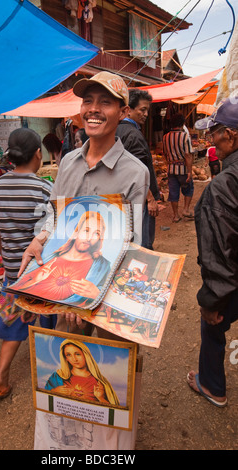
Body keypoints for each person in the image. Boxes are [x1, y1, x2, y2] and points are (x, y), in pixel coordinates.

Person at [19, 71, 149, 450]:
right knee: (67, 367)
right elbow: (57, 216)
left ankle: (112, 446)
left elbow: (132, 243)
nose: (93, 109)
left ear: (122, 112)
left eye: (105, 102)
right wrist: (40, 239)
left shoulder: (134, 172)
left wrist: (92, 296)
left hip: (104, 291)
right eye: (88, 101)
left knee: (110, 369)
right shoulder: (69, 163)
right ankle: (70, 443)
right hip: (67, 288)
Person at [0, 128, 53, 401]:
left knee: (13, 322)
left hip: (13, 270)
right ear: (38, 154)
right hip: (41, 272)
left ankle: (1, 375)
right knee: (46, 321)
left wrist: (6, 254)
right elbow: (52, 230)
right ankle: (50, 375)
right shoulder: (44, 187)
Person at [187, 97, 238, 408]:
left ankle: (212, 386)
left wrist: (211, 300)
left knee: (213, 323)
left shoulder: (222, 188)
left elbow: (217, 253)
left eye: (214, 133)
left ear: (230, 135)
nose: (211, 140)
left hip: (233, 281)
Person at [15, 211, 110, 307]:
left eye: (96, 234)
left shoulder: (101, 267)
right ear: (77, 231)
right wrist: (34, 280)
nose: (89, 238)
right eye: (86, 230)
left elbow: (113, 295)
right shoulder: (50, 258)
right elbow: (19, 289)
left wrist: (96, 295)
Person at [116, 89, 160, 250]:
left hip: (124, 197)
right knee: (144, 245)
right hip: (139, 199)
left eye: (147, 110)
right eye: (142, 109)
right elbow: (138, 173)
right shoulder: (133, 135)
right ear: (129, 110)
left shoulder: (116, 130)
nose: (146, 114)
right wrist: (150, 199)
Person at [45, 339, 119, 405]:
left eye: (77, 354)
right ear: (65, 358)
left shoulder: (100, 382)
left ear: (86, 355)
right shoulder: (58, 377)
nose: (74, 359)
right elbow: (43, 399)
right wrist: (54, 391)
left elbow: (113, 413)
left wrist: (101, 398)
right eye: (69, 355)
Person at [163, 113, 194, 223]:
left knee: (173, 192)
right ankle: (185, 209)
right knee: (188, 188)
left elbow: (165, 154)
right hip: (183, 169)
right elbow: (188, 155)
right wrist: (189, 171)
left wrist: (169, 164)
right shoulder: (185, 136)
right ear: (182, 124)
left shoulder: (165, 137)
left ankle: (176, 215)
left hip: (171, 169)